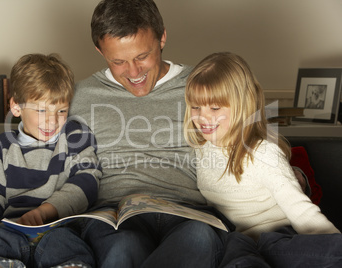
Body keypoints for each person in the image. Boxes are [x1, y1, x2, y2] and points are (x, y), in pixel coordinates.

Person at [69, 0, 235, 267]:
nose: (133, 73)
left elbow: (250, 140)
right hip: (114, 216)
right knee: (123, 247)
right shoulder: (79, 97)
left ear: (162, 38)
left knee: (198, 238)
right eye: (118, 62)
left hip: (191, 214)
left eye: (141, 56)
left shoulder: (202, 86)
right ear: (100, 51)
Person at [183, 51, 342, 267]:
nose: (203, 117)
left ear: (241, 106)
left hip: (277, 237)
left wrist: (332, 241)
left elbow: (300, 209)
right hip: (238, 242)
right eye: (196, 107)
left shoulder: (262, 152)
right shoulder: (200, 149)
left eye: (215, 108)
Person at [0, 53, 101, 268]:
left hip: (60, 231)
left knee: (73, 257)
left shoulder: (75, 135)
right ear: (16, 107)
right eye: (41, 110)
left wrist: (45, 211)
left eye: (61, 110)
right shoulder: (2, 147)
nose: (53, 120)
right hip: (9, 229)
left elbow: (87, 181)